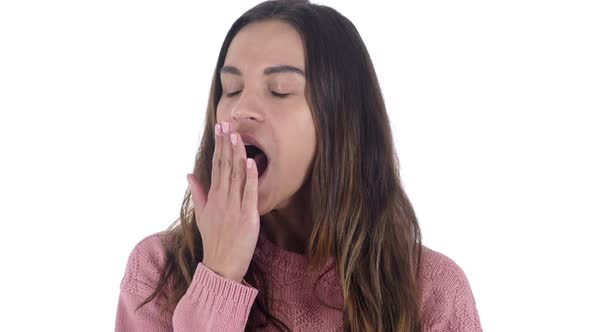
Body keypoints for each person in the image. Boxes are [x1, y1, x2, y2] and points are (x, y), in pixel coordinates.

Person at [115, 0, 483, 331]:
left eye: (279, 90)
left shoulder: (431, 292)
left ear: (341, 121)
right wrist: (218, 279)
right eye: (230, 89)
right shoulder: (157, 272)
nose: (241, 109)